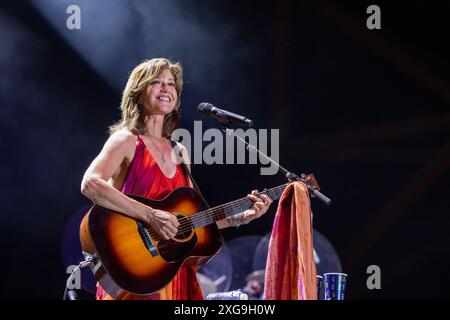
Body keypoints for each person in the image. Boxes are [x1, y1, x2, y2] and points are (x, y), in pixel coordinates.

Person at [80, 58, 273, 300]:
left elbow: (190, 223)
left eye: (171, 84)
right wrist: (151, 215)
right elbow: (91, 184)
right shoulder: (126, 140)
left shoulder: (180, 152)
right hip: (136, 273)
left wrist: (239, 218)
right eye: (156, 82)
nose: (166, 89)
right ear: (138, 92)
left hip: (175, 276)